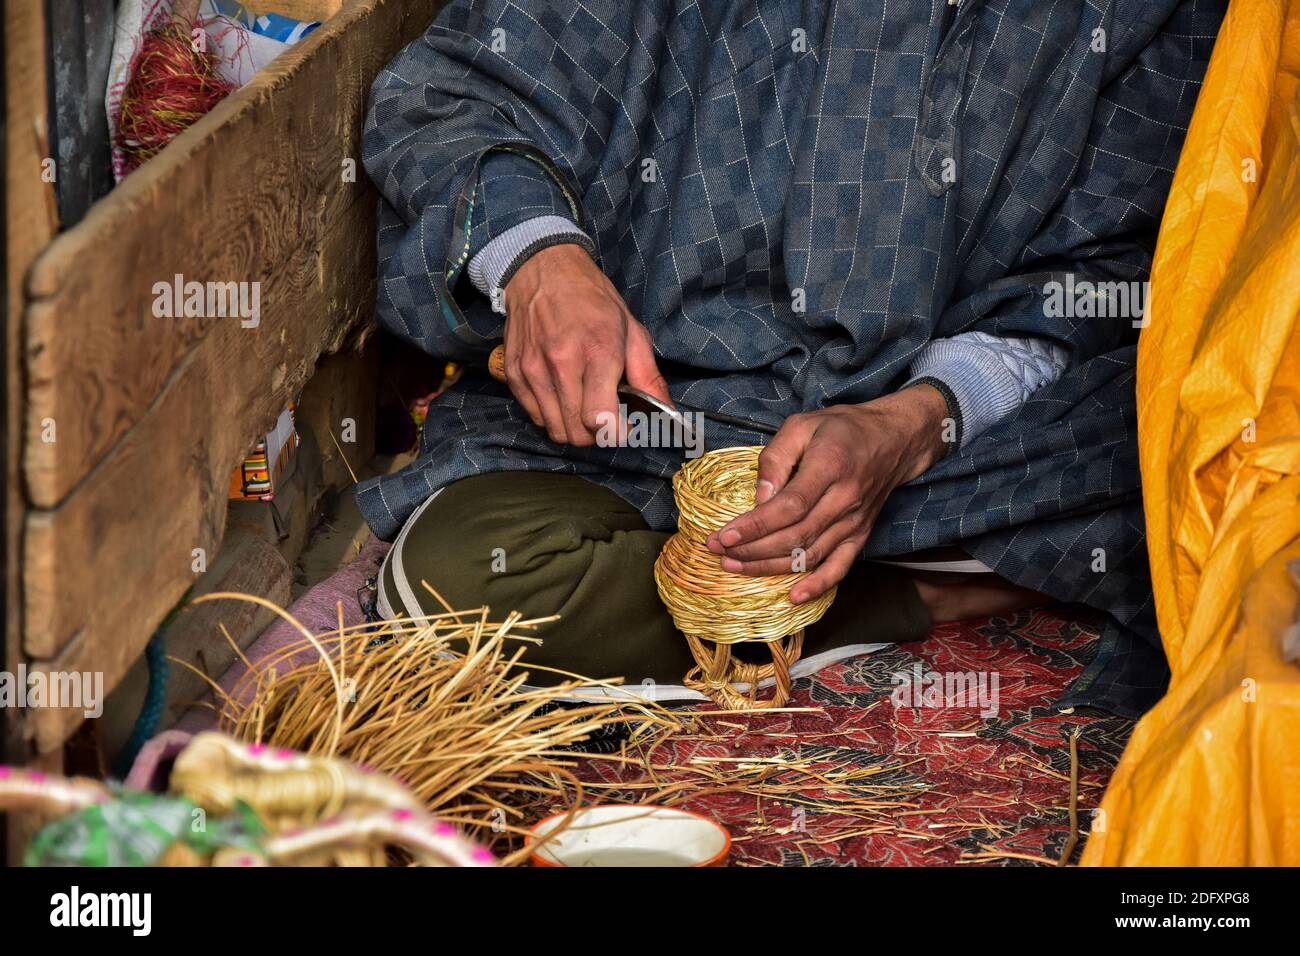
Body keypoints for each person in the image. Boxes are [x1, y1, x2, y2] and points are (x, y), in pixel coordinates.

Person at [356, 0, 1225, 714]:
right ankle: (913, 593)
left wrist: (913, 424)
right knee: (456, 593)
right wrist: (544, 263)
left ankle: (805, 578)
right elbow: (452, 97)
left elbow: (1107, 274)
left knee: (1199, 466)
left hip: (942, 457)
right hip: (632, 421)